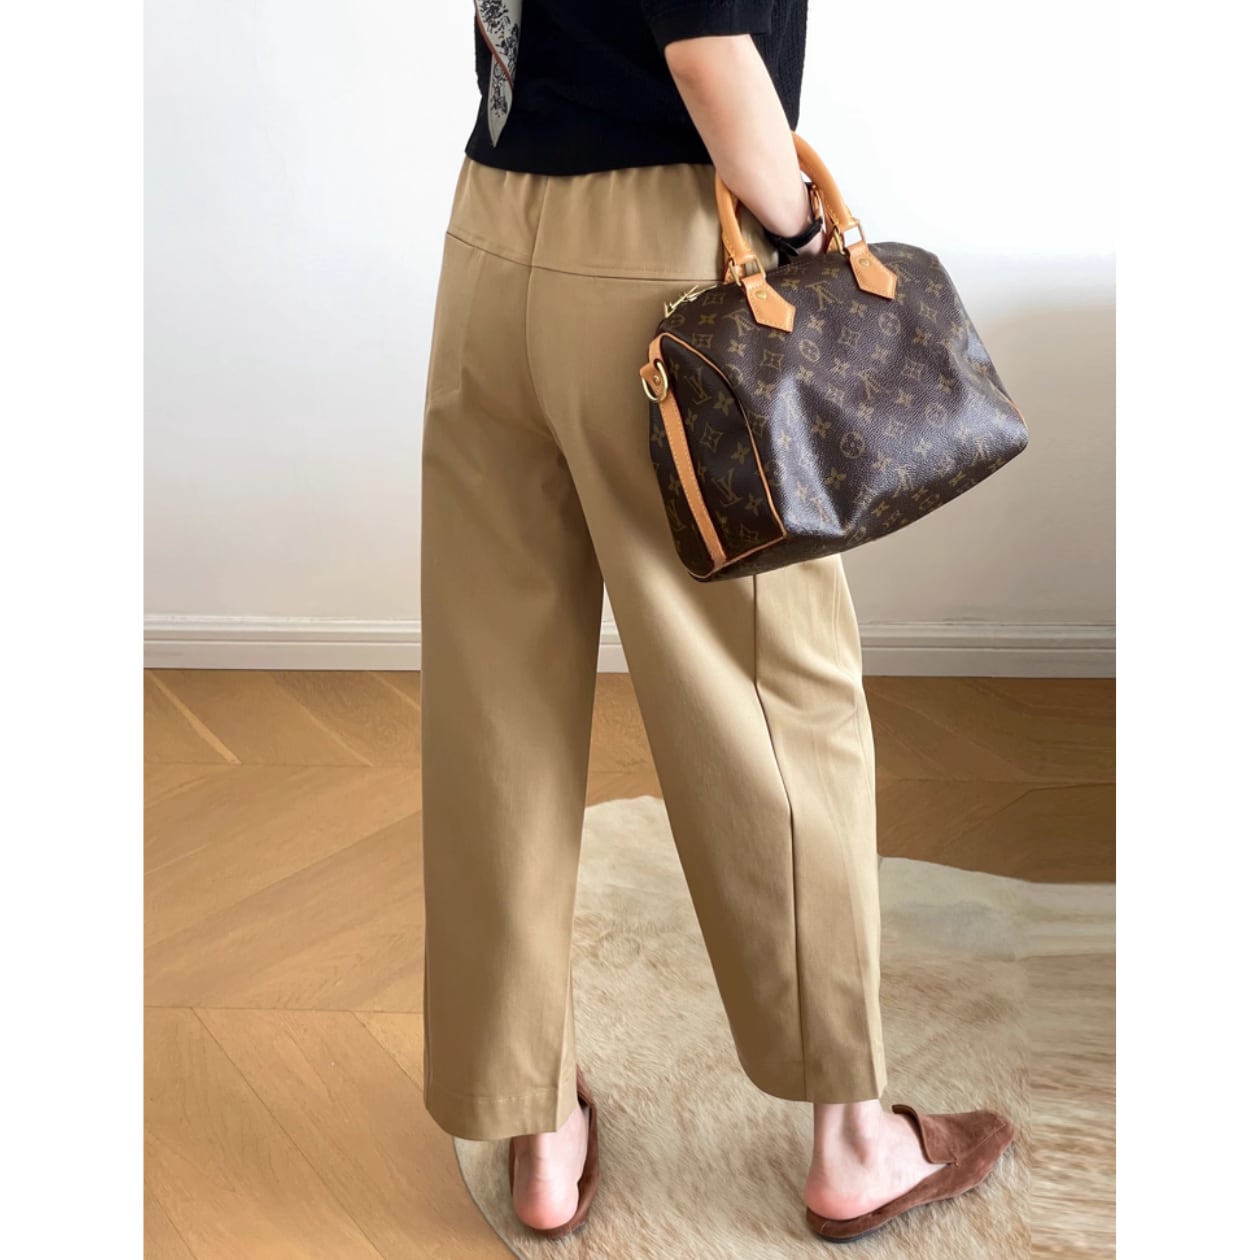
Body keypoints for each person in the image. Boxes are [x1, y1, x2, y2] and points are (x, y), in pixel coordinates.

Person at [420, 0, 1015, 1244]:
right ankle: (852, 1145)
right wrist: (800, 224)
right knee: (775, 701)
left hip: (489, 234)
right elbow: (705, 49)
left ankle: (535, 1128)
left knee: (497, 707)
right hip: (663, 260)